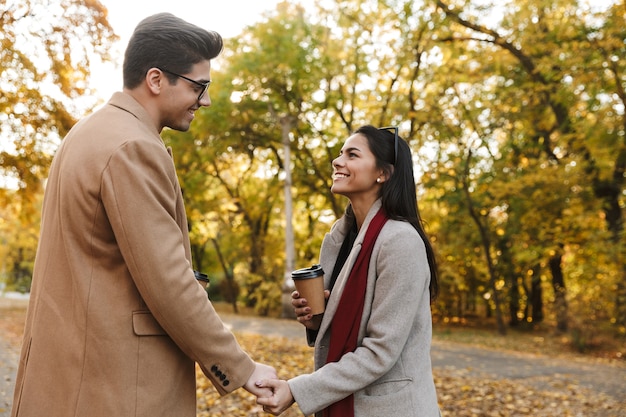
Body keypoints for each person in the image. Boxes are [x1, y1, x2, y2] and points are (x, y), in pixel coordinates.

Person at [11, 13, 276, 417]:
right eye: (199, 86)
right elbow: (169, 281)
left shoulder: (86, 133)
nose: (205, 100)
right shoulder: (133, 147)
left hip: (75, 377)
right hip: (116, 387)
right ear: (156, 79)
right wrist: (241, 367)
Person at [257, 125, 440, 416]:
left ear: (383, 173)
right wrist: (316, 319)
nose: (337, 160)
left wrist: (296, 390)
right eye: (340, 153)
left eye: (352, 154)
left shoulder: (401, 242)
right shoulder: (339, 238)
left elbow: (380, 351)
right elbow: (345, 324)